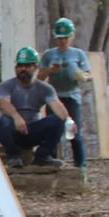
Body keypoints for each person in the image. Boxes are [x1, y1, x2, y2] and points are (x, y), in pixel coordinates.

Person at [0, 47, 76, 167]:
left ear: (36, 67)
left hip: (32, 130)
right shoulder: (6, 86)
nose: (23, 69)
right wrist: (16, 117)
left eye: (27, 66)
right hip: (14, 130)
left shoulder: (45, 88)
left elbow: (57, 106)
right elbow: (4, 102)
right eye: (20, 66)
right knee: (3, 122)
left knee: (56, 121)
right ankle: (13, 157)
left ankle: (42, 156)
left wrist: (68, 120)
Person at [37, 18, 93, 167]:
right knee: (53, 132)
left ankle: (80, 165)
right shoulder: (49, 55)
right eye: (61, 38)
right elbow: (39, 76)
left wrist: (81, 75)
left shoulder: (78, 54)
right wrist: (50, 70)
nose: (63, 41)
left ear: (72, 36)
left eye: (66, 38)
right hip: (54, 99)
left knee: (75, 132)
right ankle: (52, 162)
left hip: (72, 97)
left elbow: (90, 75)